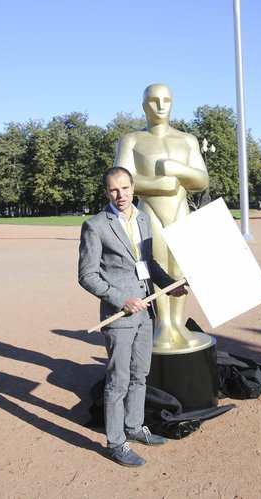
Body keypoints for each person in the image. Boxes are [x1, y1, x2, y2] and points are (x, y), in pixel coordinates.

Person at [78, 167, 188, 467]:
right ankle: (116, 443)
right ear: (105, 192)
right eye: (114, 190)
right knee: (118, 381)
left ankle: (135, 426)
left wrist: (169, 286)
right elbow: (87, 275)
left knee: (140, 374)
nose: (121, 194)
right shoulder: (95, 226)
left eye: (125, 188)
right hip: (119, 316)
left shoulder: (142, 218)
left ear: (133, 188)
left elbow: (149, 263)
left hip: (145, 313)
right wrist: (120, 298)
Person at [114, 83, 210, 350]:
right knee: (156, 267)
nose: (160, 106)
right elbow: (120, 180)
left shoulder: (187, 140)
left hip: (181, 210)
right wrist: (159, 184)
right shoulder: (132, 140)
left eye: (166, 100)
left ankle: (177, 324)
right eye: (154, 100)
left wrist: (177, 169)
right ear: (144, 105)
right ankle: (163, 324)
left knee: (180, 269)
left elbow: (202, 179)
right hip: (149, 211)